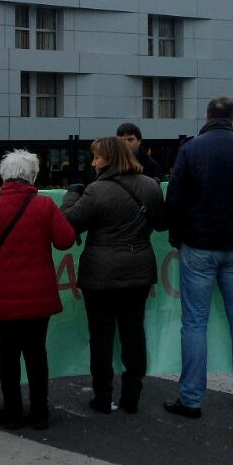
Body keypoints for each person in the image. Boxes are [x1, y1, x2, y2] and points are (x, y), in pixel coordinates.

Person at [163, 97, 233, 418]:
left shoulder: (190, 149)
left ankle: (191, 399)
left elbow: (175, 198)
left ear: (207, 116)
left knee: (195, 322)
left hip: (198, 243)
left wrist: (177, 234)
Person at [0, 150, 76, 430]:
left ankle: (12, 410)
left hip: (1, 295)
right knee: (36, 353)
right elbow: (66, 240)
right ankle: (40, 412)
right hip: (38, 294)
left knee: (7, 355)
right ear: (33, 175)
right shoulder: (45, 205)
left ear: (3, 175)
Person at [61, 136, 166, 414]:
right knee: (133, 332)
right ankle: (132, 395)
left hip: (101, 272)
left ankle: (103, 396)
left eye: (96, 157)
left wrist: (72, 194)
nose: (93, 162)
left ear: (108, 158)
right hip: (139, 269)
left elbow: (68, 222)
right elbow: (161, 222)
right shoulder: (150, 186)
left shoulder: (96, 190)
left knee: (102, 334)